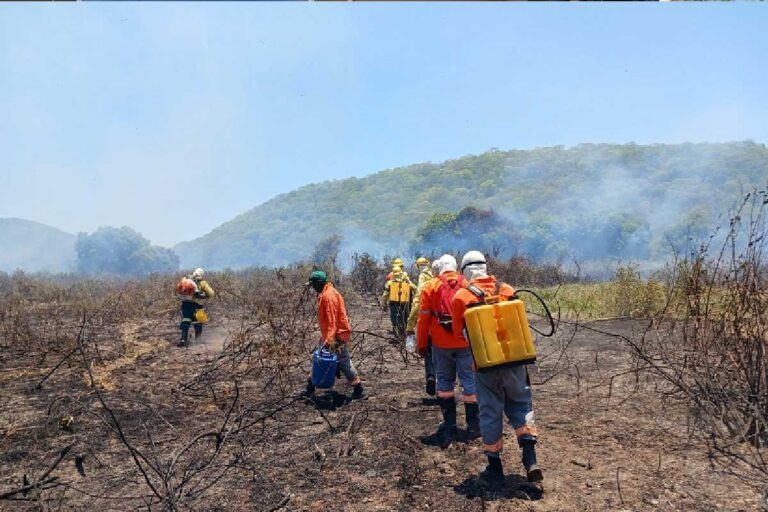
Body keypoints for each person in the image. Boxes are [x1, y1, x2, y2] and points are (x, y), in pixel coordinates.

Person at [452, 250, 543, 486]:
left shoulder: (462, 297)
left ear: (465, 272)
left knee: (491, 413)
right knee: (521, 406)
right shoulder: (507, 289)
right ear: (485, 266)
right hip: (515, 363)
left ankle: (494, 468)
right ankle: (530, 459)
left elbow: (457, 334)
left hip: (485, 367)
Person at [416, 254, 479, 447]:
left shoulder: (430, 286)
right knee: (469, 381)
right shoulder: (468, 283)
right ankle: (474, 425)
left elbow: (423, 319)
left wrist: (421, 344)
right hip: (465, 343)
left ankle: (450, 424)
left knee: (444, 382)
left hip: (440, 344)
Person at [303, 270, 364, 399]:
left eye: (313, 284)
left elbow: (332, 321)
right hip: (332, 335)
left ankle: (358, 389)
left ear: (319, 283)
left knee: (343, 363)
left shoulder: (328, 296)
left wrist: (329, 340)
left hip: (336, 336)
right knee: (320, 359)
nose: (312, 287)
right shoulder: (326, 292)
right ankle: (309, 389)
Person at [406, 257, 436, 395]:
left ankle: (431, 376)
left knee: (429, 352)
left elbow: (417, 301)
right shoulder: (439, 275)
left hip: (430, 324)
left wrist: (410, 325)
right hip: (448, 325)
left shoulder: (423, 279)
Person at [177, 268, 214, 347]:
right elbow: (211, 293)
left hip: (185, 304)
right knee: (197, 321)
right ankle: (198, 340)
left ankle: (183, 339)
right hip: (196, 305)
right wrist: (203, 295)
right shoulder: (202, 282)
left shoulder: (185, 279)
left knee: (186, 319)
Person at [382, 266, 417, 340]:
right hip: (405, 304)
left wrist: (384, 304)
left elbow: (385, 295)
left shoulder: (389, 283)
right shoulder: (407, 284)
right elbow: (415, 289)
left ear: (393, 274)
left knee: (395, 320)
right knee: (405, 319)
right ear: (401, 273)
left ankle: (397, 336)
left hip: (393, 305)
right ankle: (405, 336)